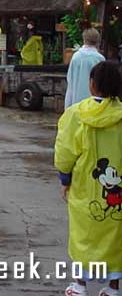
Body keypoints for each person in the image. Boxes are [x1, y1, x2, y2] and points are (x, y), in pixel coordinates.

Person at [55, 61, 122, 296]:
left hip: (84, 187)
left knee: (83, 235)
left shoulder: (76, 114)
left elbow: (65, 152)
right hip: (118, 191)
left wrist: (65, 179)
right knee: (115, 236)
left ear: (92, 85)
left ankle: (80, 285)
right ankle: (114, 287)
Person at [65, 28, 106, 109]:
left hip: (76, 100)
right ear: (97, 41)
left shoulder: (76, 57)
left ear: (84, 39)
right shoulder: (100, 58)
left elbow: (70, 78)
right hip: (94, 102)